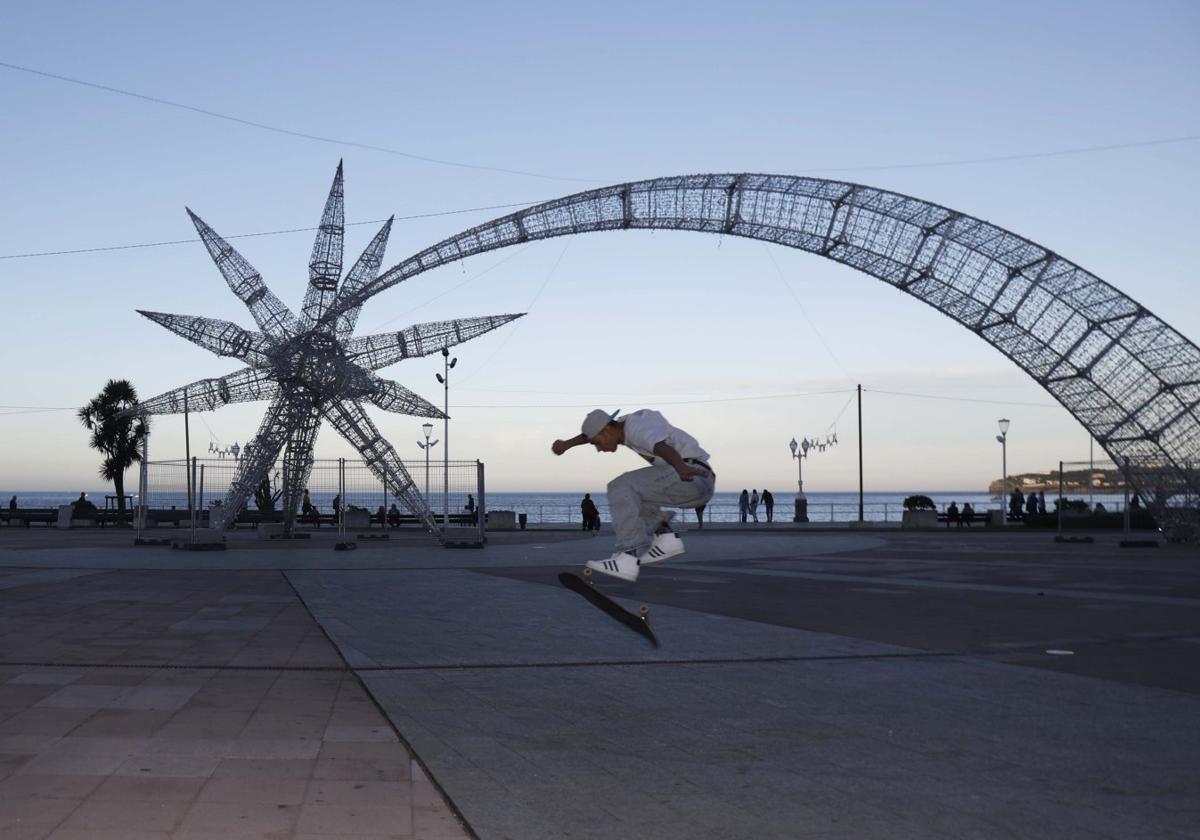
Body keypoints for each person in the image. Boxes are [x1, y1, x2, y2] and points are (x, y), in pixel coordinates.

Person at [552, 408, 715, 582]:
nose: (599, 449)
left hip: (688, 474)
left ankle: (627, 557)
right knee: (635, 495)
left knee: (620, 486)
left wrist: (681, 468)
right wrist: (566, 445)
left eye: (597, 443)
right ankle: (666, 538)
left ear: (607, 430)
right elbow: (588, 435)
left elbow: (660, 447)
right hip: (693, 482)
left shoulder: (636, 428)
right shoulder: (621, 427)